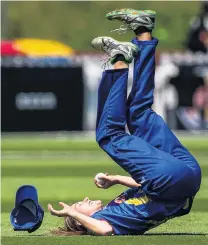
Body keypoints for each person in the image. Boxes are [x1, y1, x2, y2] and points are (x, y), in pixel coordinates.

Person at [48, 9, 201, 236]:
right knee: (108, 135)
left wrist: (117, 179)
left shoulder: (115, 210)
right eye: (80, 204)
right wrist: (71, 213)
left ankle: (143, 31)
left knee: (139, 113)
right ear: (82, 222)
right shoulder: (102, 220)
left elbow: (147, 190)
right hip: (172, 180)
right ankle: (120, 60)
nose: (84, 199)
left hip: (187, 176)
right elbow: (102, 231)